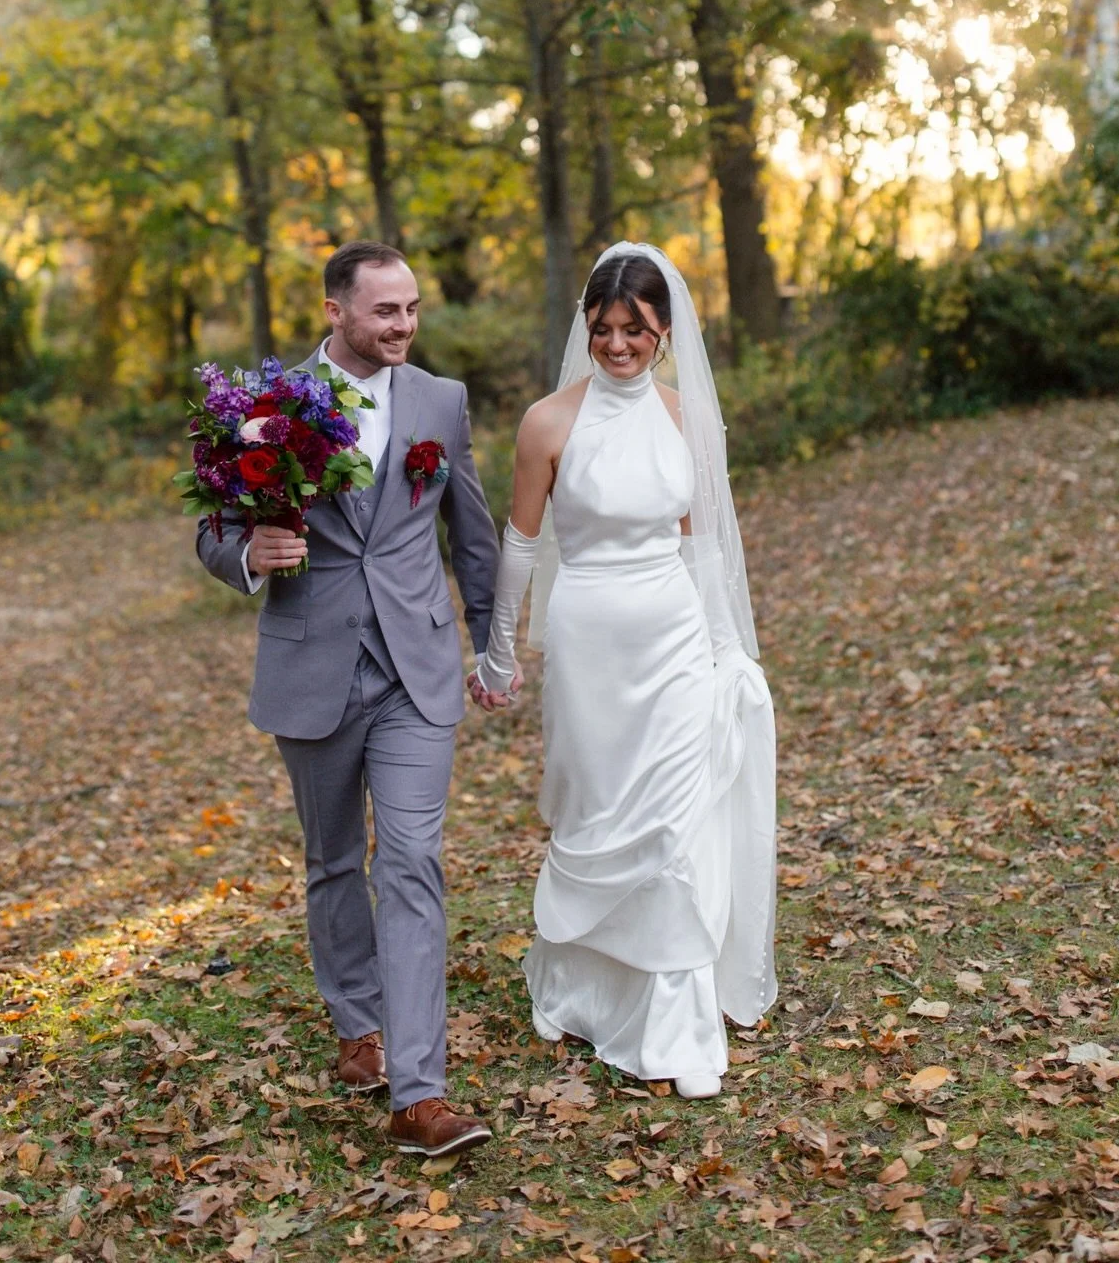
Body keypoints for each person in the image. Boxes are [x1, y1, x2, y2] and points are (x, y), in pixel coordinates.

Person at [196, 241, 501, 1157]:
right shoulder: (264, 407)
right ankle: (356, 1027)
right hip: (312, 665)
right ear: (336, 311)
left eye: (411, 308)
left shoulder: (440, 402)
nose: (404, 325)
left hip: (417, 667)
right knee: (334, 860)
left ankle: (420, 1093)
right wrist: (250, 556)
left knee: (411, 862)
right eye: (385, 311)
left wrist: (492, 641)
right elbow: (213, 528)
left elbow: (470, 531)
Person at [469, 242, 777, 1097]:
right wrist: (497, 657)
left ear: (664, 331)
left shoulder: (688, 417)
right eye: (603, 329)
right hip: (588, 642)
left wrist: (727, 650)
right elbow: (522, 545)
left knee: (673, 826)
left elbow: (701, 542)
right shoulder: (548, 423)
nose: (617, 345)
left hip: (674, 638)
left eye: (634, 330)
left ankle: (677, 1026)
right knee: (598, 817)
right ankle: (584, 989)